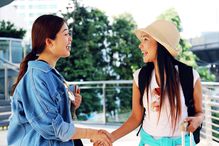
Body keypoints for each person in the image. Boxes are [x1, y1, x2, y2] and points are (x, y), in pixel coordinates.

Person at [7, 14, 112, 146]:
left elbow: (53, 116)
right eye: (66, 34)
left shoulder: (50, 75)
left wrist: (71, 106)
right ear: (49, 42)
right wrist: (92, 133)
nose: (70, 39)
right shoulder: (37, 77)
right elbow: (53, 127)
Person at [97, 20, 204, 146]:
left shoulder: (190, 76)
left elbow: (200, 112)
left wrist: (197, 120)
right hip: (149, 142)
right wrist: (110, 138)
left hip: (182, 142)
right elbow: (136, 117)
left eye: (145, 39)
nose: (140, 46)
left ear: (161, 44)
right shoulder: (140, 77)